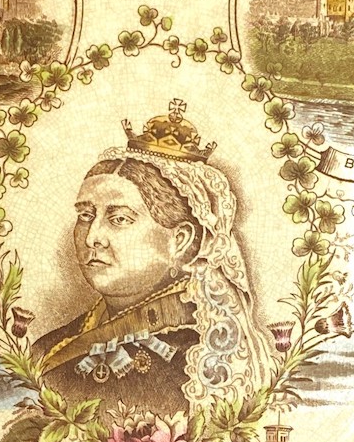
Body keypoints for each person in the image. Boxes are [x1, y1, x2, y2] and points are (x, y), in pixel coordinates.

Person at [32, 100, 270, 414]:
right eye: (86, 215)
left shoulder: (200, 363)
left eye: (119, 219)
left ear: (180, 241)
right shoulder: (51, 346)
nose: (92, 237)